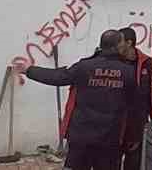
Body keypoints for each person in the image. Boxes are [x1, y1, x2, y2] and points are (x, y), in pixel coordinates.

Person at [17, 29, 135, 170]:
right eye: (122, 42)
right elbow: (133, 106)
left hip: (81, 135)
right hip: (109, 138)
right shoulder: (128, 72)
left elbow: (57, 77)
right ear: (117, 46)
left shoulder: (84, 66)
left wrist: (29, 70)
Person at [118, 27, 152, 170]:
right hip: (116, 123)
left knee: (133, 164)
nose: (116, 46)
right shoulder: (113, 62)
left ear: (129, 43)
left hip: (137, 126)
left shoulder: (147, 64)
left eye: (119, 42)